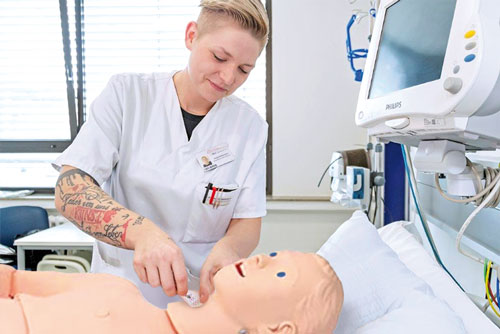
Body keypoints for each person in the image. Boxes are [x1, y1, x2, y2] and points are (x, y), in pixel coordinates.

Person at [52, 0, 269, 308]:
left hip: (198, 302)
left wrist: (230, 249)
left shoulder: (249, 127)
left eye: (244, 69)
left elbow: (247, 220)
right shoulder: (127, 96)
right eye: (219, 57)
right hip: (120, 294)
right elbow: (70, 190)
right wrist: (141, 233)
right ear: (191, 36)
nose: (228, 77)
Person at [0, 251, 344, 334]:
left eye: (281, 273)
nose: (259, 259)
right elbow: (12, 281)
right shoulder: (114, 287)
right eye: (272, 255)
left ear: (278, 330)